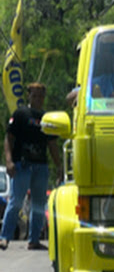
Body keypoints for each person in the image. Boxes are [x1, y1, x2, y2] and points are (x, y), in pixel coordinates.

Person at [0, 83, 62, 250]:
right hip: (22, 165)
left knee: (39, 205)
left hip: (41, 166)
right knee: (16, 202)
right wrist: (9, 161)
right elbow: (9, 138)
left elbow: (52, 144)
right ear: (29, 96)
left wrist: (59, 166)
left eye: (41, 96)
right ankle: (4, 237)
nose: (38, 99)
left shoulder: (47, 118)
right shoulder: (20, 114)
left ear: (44, 97)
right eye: (35, 95)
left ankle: (34, 240)